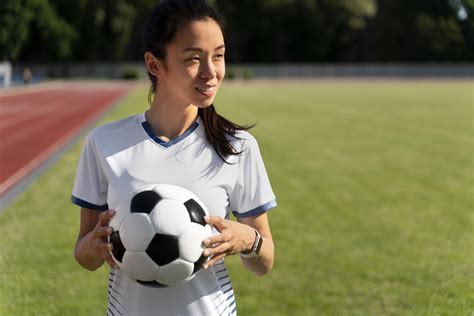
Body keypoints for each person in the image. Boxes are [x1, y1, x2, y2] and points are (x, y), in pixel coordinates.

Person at [71, 0, 276, 315]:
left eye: (218, 56)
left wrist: (249, 240)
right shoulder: (104, 143)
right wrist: (91, 246)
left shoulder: (238, 146)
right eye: (194, 58)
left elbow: (264, 263)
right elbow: (85, 256)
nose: (211, 73)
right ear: (155, 65)